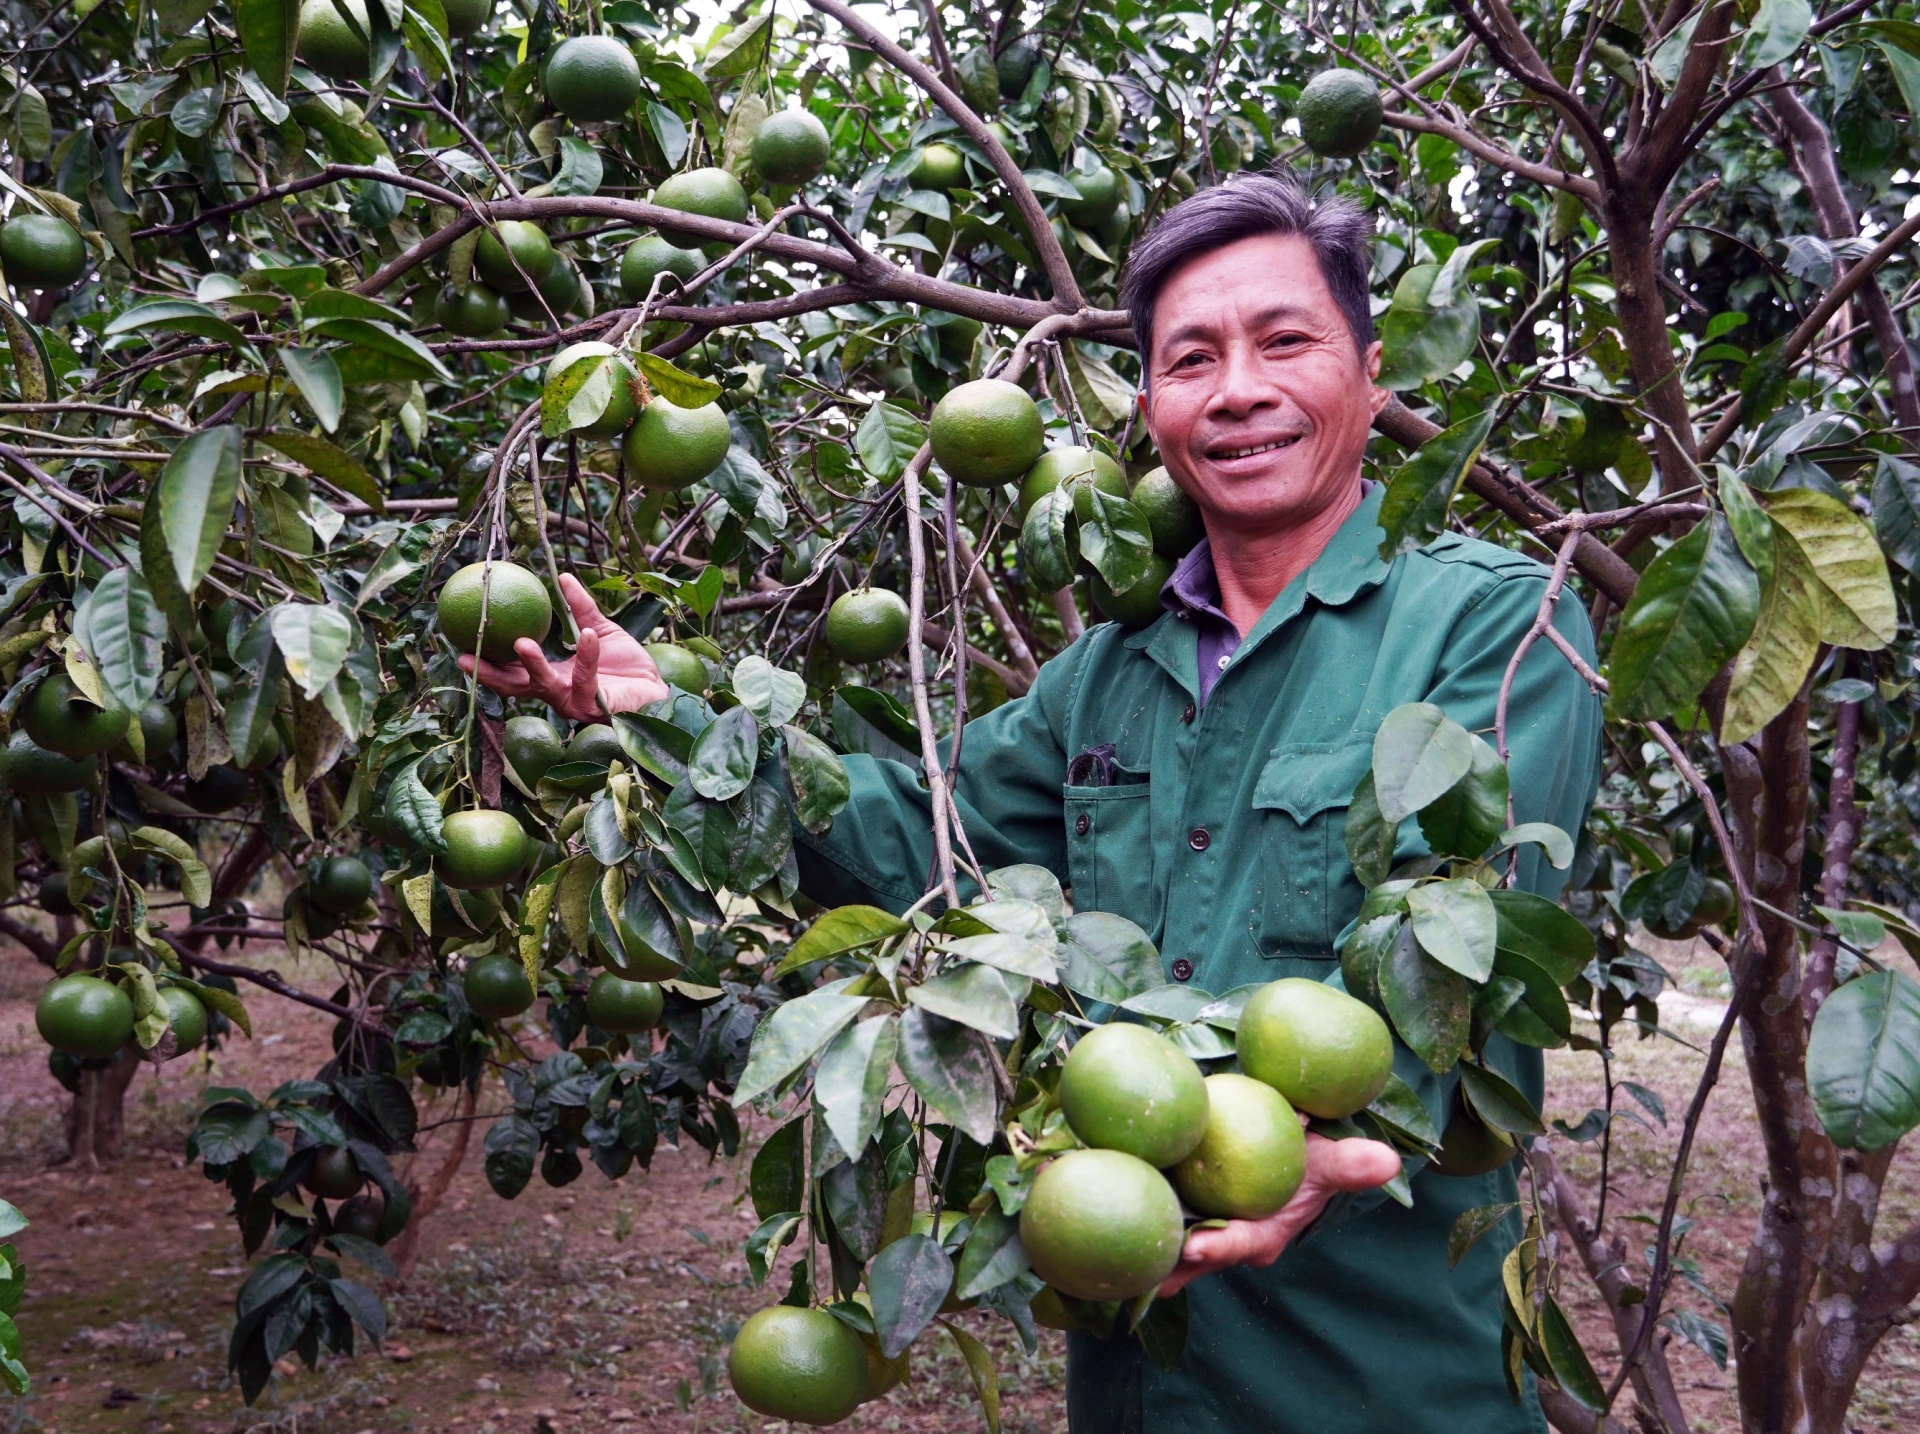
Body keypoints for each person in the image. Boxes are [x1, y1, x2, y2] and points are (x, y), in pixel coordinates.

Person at [465, 171, 1603, 1434]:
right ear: (1152, 407)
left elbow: (1462, 941)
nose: (1239, 390)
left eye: (1286, 342)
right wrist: (663, 717)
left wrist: (1324, 1158)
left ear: (1371, 375)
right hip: (1136, 1364)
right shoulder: (1105, 675)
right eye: (1191, 360)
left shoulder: (1497, 618)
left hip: (1384, 1376)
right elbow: (909, 835)